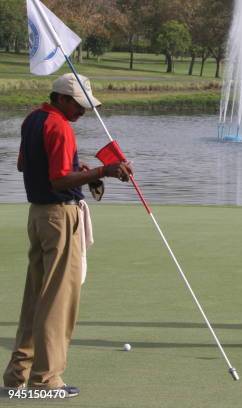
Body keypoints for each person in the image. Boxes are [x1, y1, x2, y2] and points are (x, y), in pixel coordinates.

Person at [2, 73, 132, 396]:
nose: (83, 111)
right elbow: (59, 180)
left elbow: (24, 165)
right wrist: (104, 171)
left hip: (37, 216)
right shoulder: (60, 126)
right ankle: (45, 380)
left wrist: (80, 168)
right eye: (79, 105)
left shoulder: (34, 118)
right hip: (59, 217)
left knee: (36, 296)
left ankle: (19, 374)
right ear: (62, 98)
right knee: (58, 300)